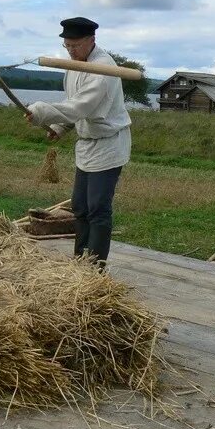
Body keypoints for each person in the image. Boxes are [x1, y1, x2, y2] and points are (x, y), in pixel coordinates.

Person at [25, 17, 131, 269]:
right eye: (67, 46)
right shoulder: (74, 65)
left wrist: (42, 111)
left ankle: (94, 269)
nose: (71, 51)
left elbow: (81, 105)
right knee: (80, 207)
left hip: (108, 145)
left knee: (98, 209)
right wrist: (61, 127)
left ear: (91, 41)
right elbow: (73, 101)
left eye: (75, 45)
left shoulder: (104, 70)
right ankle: (79, 262)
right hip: (86, 146)